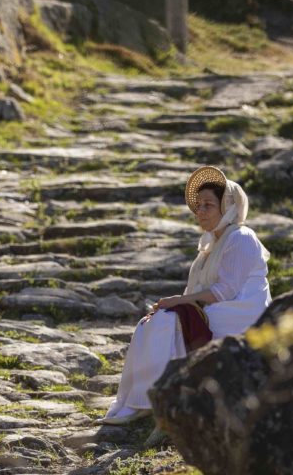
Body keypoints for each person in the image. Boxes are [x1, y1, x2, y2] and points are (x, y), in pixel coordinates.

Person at [101, 166, 271, 425]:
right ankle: (138, 399)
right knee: (153, 321)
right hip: (218, 306)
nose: (200, 211)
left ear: (227, 208)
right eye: (199, 205)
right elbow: (195, 291)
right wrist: (175, 304)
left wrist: (178, 303)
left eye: (208, 205)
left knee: (167, 323)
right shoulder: (210, 244)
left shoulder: (242, 237)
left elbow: (225, 291)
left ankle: (148, 401)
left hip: (240, 312)